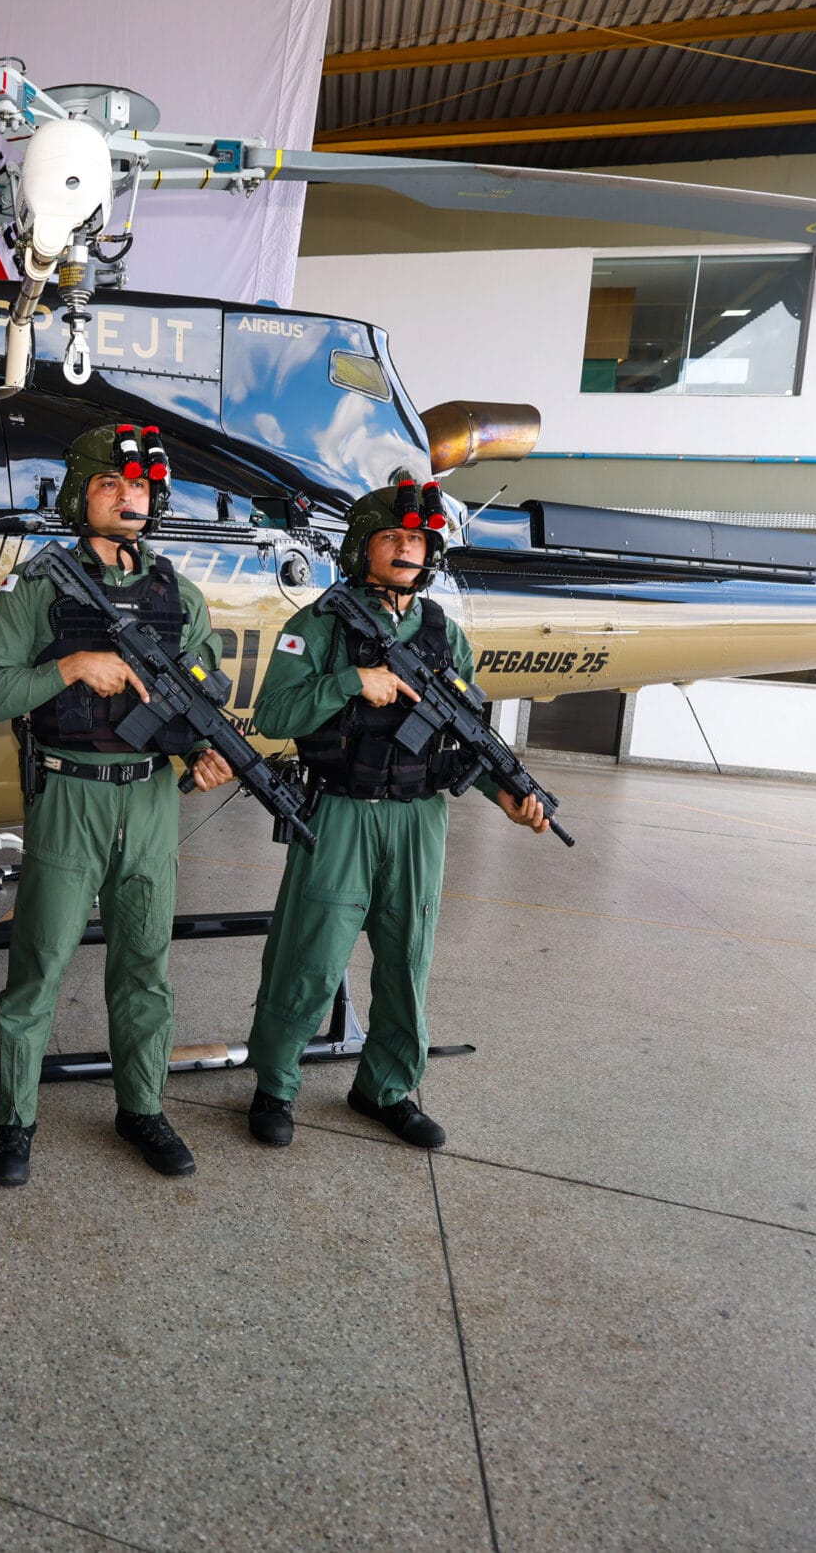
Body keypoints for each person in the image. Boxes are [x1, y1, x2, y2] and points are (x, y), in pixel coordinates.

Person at [243, 478, 547, 1154]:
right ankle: (276, 1083)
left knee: (407, 955)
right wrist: (353, 681)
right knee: (311, 955)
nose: (410, 547)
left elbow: (466, 735)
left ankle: (384, 1086)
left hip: (418, 819)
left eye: (419, 538)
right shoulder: (320, 624)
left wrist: (508, 795)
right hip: (340, 813)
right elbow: (272, 716)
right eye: (394, 536)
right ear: (364, 547)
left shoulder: (446, 637)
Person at [0, 423, 234, 1186]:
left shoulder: (178, 595)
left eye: (141, 487)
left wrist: (204, 750)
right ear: (80, 493)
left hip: (151, 800)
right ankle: (13, 1116)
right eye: (111, 484)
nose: (129, 499)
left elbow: (195, 698)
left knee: (145, 967)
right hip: (69, 793)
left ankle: (142, 1106)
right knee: (40, 967)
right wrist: (73, 666)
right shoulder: (42, 587)